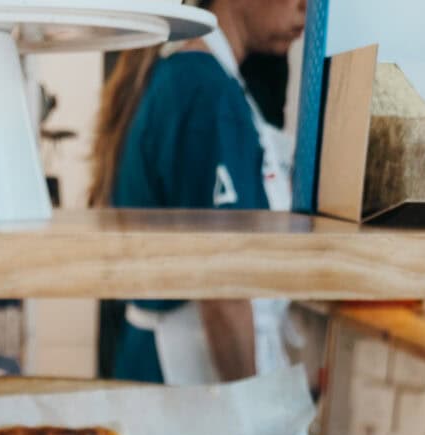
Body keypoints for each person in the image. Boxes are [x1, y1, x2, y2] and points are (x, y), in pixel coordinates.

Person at [90, 0, 307, 385]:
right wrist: (246, 415)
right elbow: (223, 290)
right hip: (187, 372)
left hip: (157, 363)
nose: (306, 7)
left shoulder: (188, 76)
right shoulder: (205, 90)